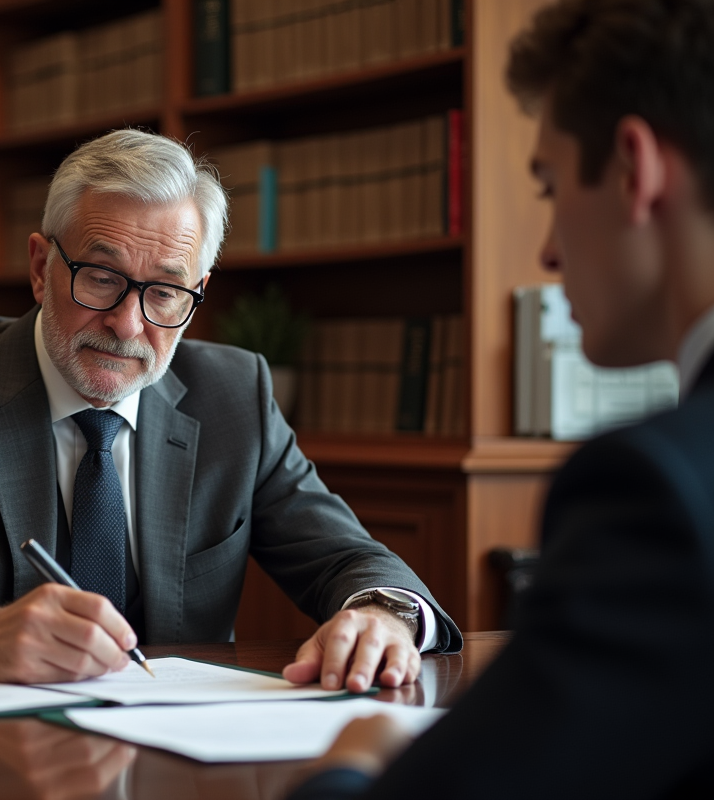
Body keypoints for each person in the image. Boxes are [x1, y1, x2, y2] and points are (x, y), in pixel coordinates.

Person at [0, 129, 461, 688]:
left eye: (165, 292)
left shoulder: (235, 397)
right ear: (40, 267)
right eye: (101, 277)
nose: (128, 325)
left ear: (197, 290)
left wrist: (383, 616)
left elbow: (351, 557)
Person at [290, 0, 714, 797]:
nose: (549, 248)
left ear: (634, 169)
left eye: (549, 186)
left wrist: (352, 762)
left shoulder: (663, 490)